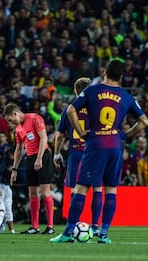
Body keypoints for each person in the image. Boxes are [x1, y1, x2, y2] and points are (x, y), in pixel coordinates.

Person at [50, 60, 148, 244]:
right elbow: (144, 121)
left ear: (104, 73)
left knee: (80, 188)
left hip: (96, 143)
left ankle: (68, 232)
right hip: (115, 145)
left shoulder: (92, 90)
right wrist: (125, 136)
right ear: (121, 76)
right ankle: (103, 234)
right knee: (110, 190)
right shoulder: (126, 96)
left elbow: (71, 110)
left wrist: (80, 132)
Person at [53, 77, 103, 236]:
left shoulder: (69, 109)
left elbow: (60, 135)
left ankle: (72, 225)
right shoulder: (97, 108)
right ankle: (95, 226)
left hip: (76, 152)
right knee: (96, 188)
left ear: (75, 91)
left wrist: (56, 153)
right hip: (94, 152)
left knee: (76, 190)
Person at [3, 103, 55, 235]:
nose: (11, 123)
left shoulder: (34, 118)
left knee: (45, 192)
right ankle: (34, 227)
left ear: (15, 113)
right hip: (30, 159)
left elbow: (43, 137)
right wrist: (14, 169)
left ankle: (50, 226)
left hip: (43, 155)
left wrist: (39, 158)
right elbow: (19, 149)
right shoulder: (18, 129)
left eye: (10, 119)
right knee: (32, 193)